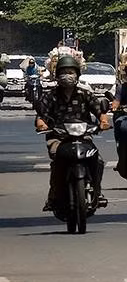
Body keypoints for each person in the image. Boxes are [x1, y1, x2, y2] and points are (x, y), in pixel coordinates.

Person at [34, 56, 111, 211]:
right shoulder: (50, 96)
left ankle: (97, 191)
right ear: (57, 75)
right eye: (64, 72)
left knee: (98, 160)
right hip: (58, 138)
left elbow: (99, 111)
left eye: (71, 72)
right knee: (57, 160)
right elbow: (41, 116)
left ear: (77, 75)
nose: (67, 75)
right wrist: (42, 124)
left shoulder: (85, 94)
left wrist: (104, 121)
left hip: (84, 136)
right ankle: (54, 195)